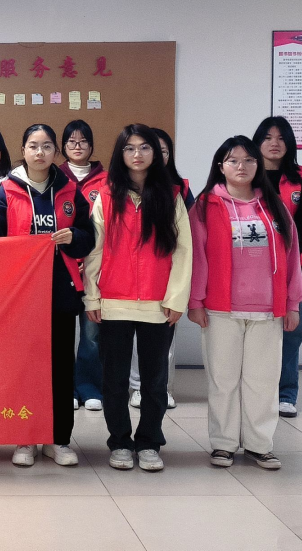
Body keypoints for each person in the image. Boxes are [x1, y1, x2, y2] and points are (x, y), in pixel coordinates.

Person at [189, 136, 302, 471]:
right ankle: (223, 444)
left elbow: (292, 255)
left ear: (258, 165)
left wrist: (293, 302)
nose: (242, 166)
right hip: (220, 308)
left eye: (249, 160)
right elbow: (196, 257)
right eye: (233, 160)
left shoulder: (273, 204)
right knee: (222, 380)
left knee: (263, 381)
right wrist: (196, 300)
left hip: (268, 309)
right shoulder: (205, 206)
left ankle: (259, 445)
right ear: (220, 166)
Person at [82, 125, 192, 472]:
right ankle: (119, 442)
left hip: (158, 304)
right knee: (113, 380)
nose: (137, 154)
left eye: (145, 148)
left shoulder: (171, 196)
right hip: (114, 302)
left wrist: (176, 298)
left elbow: (183, 251)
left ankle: (149, 442)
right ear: (120, 154)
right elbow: (95, 250)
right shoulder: (106, 196)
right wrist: (92, 297)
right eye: (129, 148)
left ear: (155, 154)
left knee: (154, 381)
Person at [0, 124, 94, 468]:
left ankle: (58, 439)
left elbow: (89, 237)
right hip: (20, 295)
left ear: (56, 152)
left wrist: (73, 237)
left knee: (60, 368)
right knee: (24, 368)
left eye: (47, 146)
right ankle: (25, 437)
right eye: (33, 146)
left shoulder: (70, 191)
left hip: (61, 291)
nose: (40, 152)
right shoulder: (5, 191)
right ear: (23, 150)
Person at [253, 117, 302, 419]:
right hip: (253, 267)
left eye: (281, 138)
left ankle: (286, 394)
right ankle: (258, 391)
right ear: (257, 142)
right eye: (267, 137)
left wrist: (286, 254)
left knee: (291, 329)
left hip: (296, 265)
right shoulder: (247, 175)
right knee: (257, 328)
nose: (274, 143)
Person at [129, 127, 192, 410]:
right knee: (134, 344)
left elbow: (186, 243)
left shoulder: (179, 191)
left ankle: (162, 387)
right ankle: (136, 387)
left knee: (165, 342)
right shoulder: (121, 190)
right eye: (140, 148)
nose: (153, 155)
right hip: (131, 284)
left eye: (162, 151)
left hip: (167, 281)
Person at [61, 120, 108, 413]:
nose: (77, 147)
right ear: (63, 146)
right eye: (71, 142)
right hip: (63, 268)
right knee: (63, 333)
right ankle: (66, 388)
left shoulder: (107, 180)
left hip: (96, 267)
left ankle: (89, 387)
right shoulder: (55, 178)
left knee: (92, 334)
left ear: (91, 145)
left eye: (83, 142)